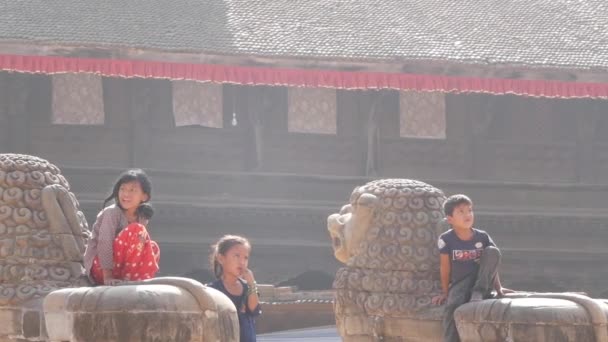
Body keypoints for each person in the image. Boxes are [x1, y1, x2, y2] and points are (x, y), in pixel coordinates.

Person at [431, 194, 513, 342]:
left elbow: (492, 262)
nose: (467, 214)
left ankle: (478, 292)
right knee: (452, 306)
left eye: (469, 210)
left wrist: (498, 288)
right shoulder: (446, 239)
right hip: (461, 283)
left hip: (481, 281)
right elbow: (445, 267)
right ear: (450, 219)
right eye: (461, 212)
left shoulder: (482, 236)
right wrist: (445, 293)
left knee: (493, 251)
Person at [83, 169, 160, 285]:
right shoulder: (112, 213)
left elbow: (137, 247)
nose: (126, 194)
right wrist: (107, 277)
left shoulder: (142, 217)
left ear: (144, 196)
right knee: (136, 230)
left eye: (132, 190)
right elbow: (105, 242)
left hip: (122, 269)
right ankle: (125, 279)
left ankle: (138, 280)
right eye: (122, 189)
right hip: (101, 268)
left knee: (152, 246)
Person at [208, 235, 261, 342]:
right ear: (221, 258)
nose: (242, 262)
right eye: (236, 256)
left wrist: (251, 283)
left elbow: (254, 310)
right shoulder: (213, 291)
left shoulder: (248, 288)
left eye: (245, 257)